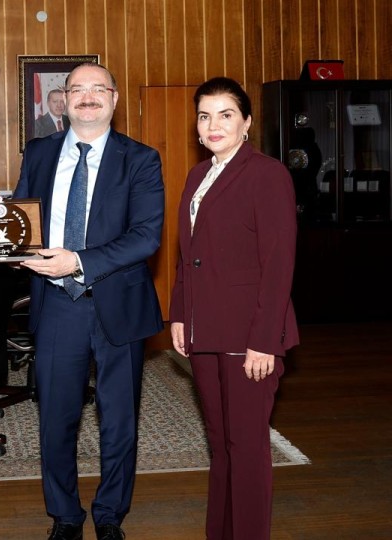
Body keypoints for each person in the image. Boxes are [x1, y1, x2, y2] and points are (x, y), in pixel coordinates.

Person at [13, 62, 165, 540]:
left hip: (118, 302)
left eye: (98, 88)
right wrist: (6, 249)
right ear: (64, 100)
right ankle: (64, 515)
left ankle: (110, 515)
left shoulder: (141, 159)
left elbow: (146, 237)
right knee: (56, 418)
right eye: (77, 88)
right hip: (57, 304)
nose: (87, 96)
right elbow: (21, 218)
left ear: (114, 99)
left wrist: (77, 261)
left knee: (119, 420)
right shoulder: (39, 153)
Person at [169, 77, 299, 540]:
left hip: (249, 335)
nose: (214, 125)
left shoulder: (267, 174)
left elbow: (278, 265)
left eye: (226, 115)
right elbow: (187, 254)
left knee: (246, 448)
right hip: (205, 329)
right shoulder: (197, 175)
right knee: (221, 445)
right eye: (205, 116)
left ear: (246, 123)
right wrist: (180, 313)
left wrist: (264, 341)